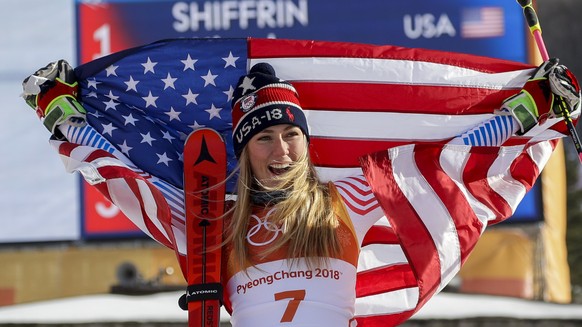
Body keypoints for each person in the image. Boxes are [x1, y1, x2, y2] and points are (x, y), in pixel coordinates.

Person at [21, 57, 580, 326]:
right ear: (244, 150)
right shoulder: (210, 217)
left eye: (292, 135)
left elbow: (447, 165)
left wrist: (531, 108)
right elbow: (120, 173)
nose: (282, 150)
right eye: (265, 138)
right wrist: (59, 110)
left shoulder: (347, 200)